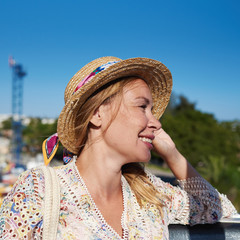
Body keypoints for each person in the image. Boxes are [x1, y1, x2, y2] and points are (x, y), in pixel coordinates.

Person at [0, 56, 237, 239]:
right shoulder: (39, 189)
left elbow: (219, 209)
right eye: (142, 107)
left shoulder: (149, 193)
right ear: (97, 113)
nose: (156, 122)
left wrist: (172, 155)